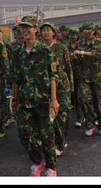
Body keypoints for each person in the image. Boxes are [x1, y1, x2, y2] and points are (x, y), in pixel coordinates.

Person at [11, 15, 59, 177]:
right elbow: (16, 78)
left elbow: (53, 76)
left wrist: (54, 100)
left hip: (43, 100)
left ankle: (51, 168)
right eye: (22, 27)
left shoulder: (46, 52)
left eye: (28, 27)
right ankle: (37, 162)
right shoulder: (17, 53)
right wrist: (15, 98)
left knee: (47, 136)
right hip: (25, 100)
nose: (24, 30)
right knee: (24, 134)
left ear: (35, 29)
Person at [40, 22, 73, 157]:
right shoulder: (40, 49)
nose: (46, 33)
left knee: (62, 116)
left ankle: (60, 142)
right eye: (43, 30)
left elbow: (68, 68)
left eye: (48, 30)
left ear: (53, 33)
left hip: (62, 86)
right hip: (46, 87)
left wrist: (71, 87)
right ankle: (54, 141)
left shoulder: (61, 48)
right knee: (50, 117)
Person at [72, 22, 101, 137]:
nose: (87, 35)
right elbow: (78, 61)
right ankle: (90, 124)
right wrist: (75, 57)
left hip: (98, 77)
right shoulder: (80, 43)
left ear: (93, 31)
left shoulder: (99, 42)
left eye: (89, 32)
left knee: (100, 102)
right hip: (84, 77)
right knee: (85, 100)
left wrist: (81, 52)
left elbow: (99, 55)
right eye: (85, 33)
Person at [67, 27, 85, 126]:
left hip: (80, 74)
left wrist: (77, 58)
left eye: (74, 37)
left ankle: (80, 118)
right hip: (71, 75)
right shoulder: (66, 47)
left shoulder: (81, 46)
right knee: (73, 97)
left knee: (80, 97)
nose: (72, 39)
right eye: (71, 37)